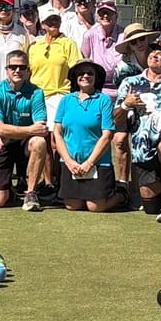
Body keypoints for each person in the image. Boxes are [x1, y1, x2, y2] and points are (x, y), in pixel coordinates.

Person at [115, 33, 161, 208]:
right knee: (150, 206)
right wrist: (125, 105)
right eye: (153, 52)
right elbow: (115, 119)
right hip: (143, 149)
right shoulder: (130, 83)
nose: (154, 55)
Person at [0, 49, 51, 211]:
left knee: (39, 142)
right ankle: (9, 191)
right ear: (6, 69)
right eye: (13, 67)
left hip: (23, 145)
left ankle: (30, 193)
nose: (17, 71)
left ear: (28, 70)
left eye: (22, 67)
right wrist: (27, 130)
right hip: (1, 146)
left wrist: (10, 133)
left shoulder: (36, 92)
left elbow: (41, 129)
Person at [52, 58, 122, 211]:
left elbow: (107, 135)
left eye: (90, 73)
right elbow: (57, 132)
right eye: (81, 73)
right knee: (72, 206)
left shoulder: (104, 100)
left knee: (95, 207)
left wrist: (89, 163)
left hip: (97, 162)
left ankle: (122, 194)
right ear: (75, 78)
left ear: (96, 77)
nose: (85, 76)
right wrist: (69, 162)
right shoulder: (66, 100)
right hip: (71, 163)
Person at [25, 10, 82, 106]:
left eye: (56, 20)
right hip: (35, 96)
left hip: (59, 96)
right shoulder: (34, 46)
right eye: (50, 21)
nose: (54, 23)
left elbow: (77, 70)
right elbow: (28, 73)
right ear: (42, 24)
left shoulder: (69, 44)